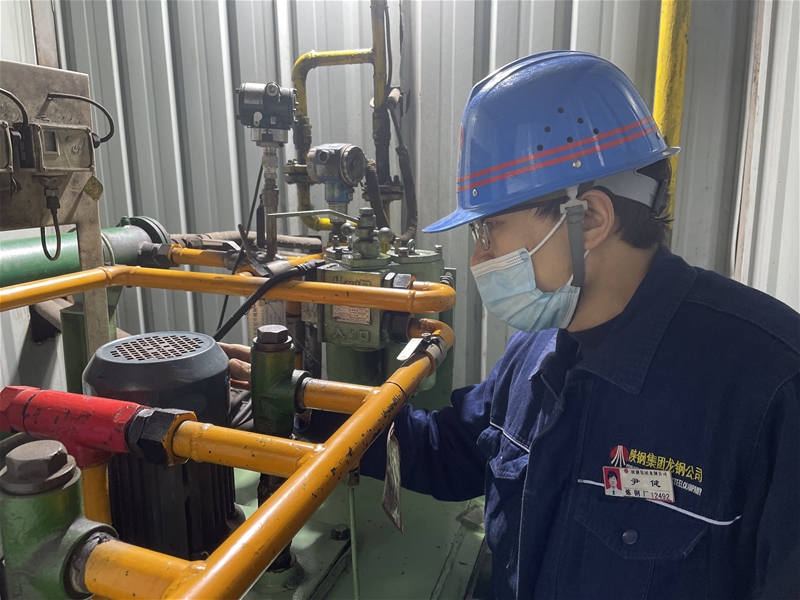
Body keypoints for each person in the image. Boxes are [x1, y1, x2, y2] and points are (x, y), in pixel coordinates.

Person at [223, 51, 800, 599]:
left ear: (589, 218)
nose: (479, 258)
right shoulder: (538, 351)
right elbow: (448, 451)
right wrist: (306, 401)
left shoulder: (770, 390)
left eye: (489, 228)